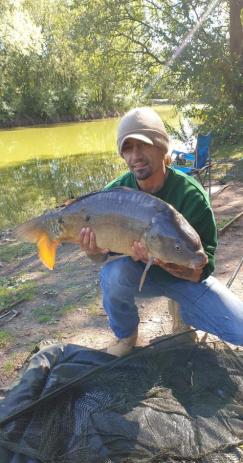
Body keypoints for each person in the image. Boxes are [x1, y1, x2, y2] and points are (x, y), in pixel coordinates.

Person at [80, 107, 243, 356]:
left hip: (185, 278)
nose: (135, 156)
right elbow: (104, 258)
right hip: (139, 275)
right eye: (128, 148)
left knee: (239, 329)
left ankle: (181, 314)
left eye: (143, 145)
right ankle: (126, 335)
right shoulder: (114, 194)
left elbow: (204, 264)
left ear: (162, 147)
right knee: (113, 273)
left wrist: (173, 265)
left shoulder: (191, 195)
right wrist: (93, 252)